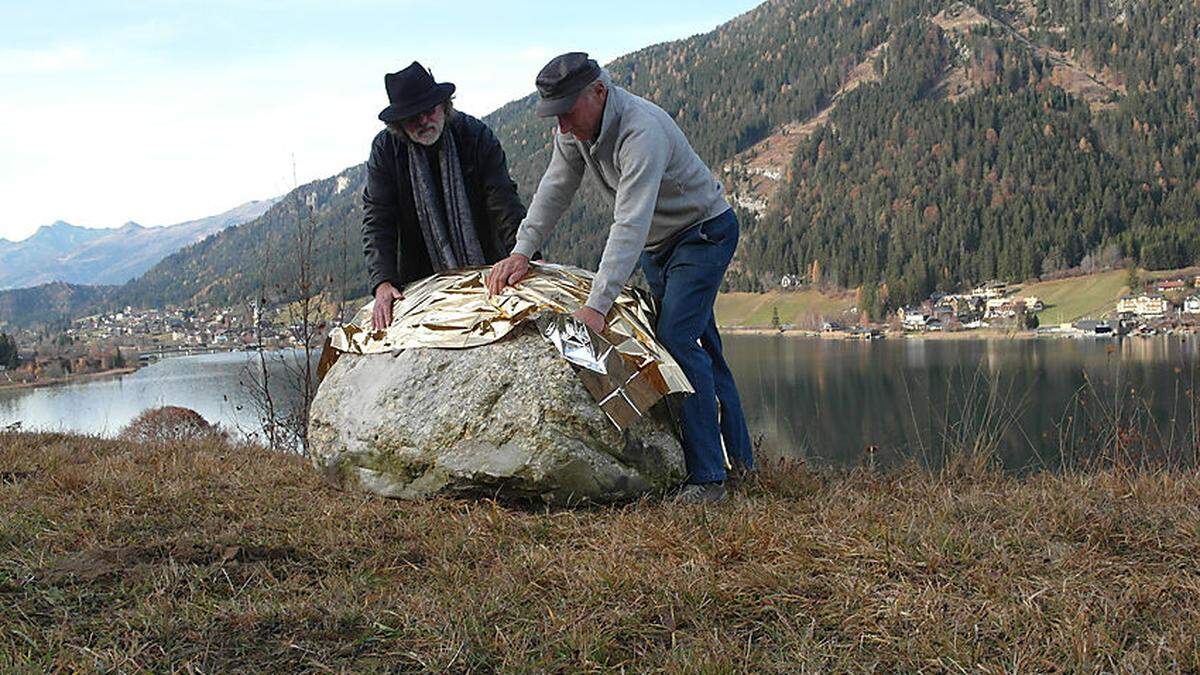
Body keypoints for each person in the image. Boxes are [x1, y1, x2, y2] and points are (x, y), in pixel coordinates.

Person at [486, 52, 752, 503]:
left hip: (703, 235)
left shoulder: (640, 131)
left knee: (678, 341)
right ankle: (741, 463)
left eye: (568, 112)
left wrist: (596, 304)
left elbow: (629, 222)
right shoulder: (576, 130)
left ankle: (710, 480)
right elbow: (556, 186)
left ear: (599, 92)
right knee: (701, 347)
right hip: (659, 244)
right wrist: (521, 250)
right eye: (556, 116)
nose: (563, 126)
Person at [363, 61, 527, 330]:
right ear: (399, 124)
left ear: (444, 105)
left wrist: (524, 253)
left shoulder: (474, 135)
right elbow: (379, 217)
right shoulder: (385, 151)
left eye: (429, 111)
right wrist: (383, 281)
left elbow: (503, 201)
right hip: (419, 275)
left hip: (487, 265)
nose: (423, 121)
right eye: (412, 117)